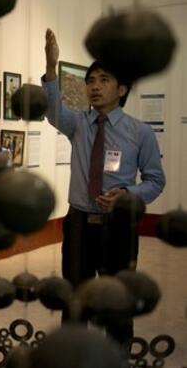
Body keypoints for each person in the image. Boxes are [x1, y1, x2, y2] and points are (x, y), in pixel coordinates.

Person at [42, 29, 165, 344]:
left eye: (104, 80)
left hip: (118, 226)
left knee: (117, 301)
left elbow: (155, 180)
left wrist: (128, 195)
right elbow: (54, 112)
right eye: (90, 80)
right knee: (75, 298)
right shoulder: (78, 124)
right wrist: (51, 67)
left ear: (121, 89)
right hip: (79, 223)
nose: (94, 86)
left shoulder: (140, 133)